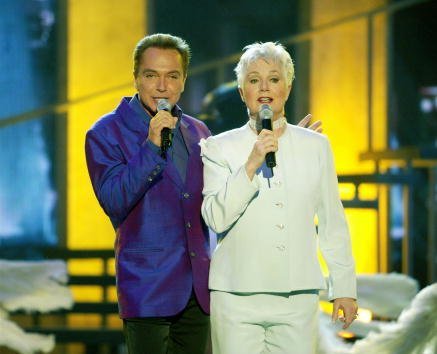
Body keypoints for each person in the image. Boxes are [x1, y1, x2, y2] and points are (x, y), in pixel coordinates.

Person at [200, 42, 358, 354]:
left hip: (297, 296)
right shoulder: (219, 147)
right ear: (242, 91)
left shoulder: (316, 146)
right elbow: (215, 217)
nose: (264, 88)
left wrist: (344, 288)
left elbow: (332, 222)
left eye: (274, 79)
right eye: (253, 79)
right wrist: (251, 163)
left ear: (287, 87)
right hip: (236, 296)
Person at [85, 33, 211, 354]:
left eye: (172, 76)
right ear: (136, 79)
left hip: (198, 290)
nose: (161, 86)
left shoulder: (198, 132)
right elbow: (114, 199)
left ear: (183, 81)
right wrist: (152, 146)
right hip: (147, 287)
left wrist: (285, 145)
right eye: (151, 75)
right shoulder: (105, 132)